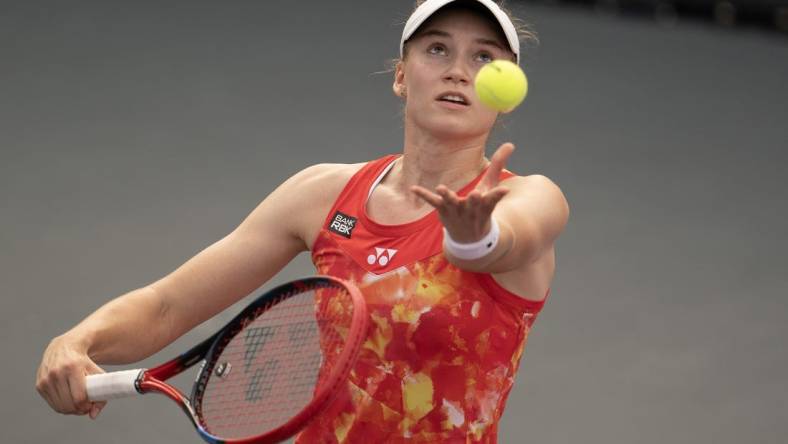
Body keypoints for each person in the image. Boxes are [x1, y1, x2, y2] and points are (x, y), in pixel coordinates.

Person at [36, 0, 569, 442]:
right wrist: (77, 341)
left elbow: (510, 240)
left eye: (484, 57)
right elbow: (167, 305)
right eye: (437, 49)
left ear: (506, 89)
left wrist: (475, 238)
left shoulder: (528, 197)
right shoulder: (322, 194)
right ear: (402, 77)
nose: (459, 69)